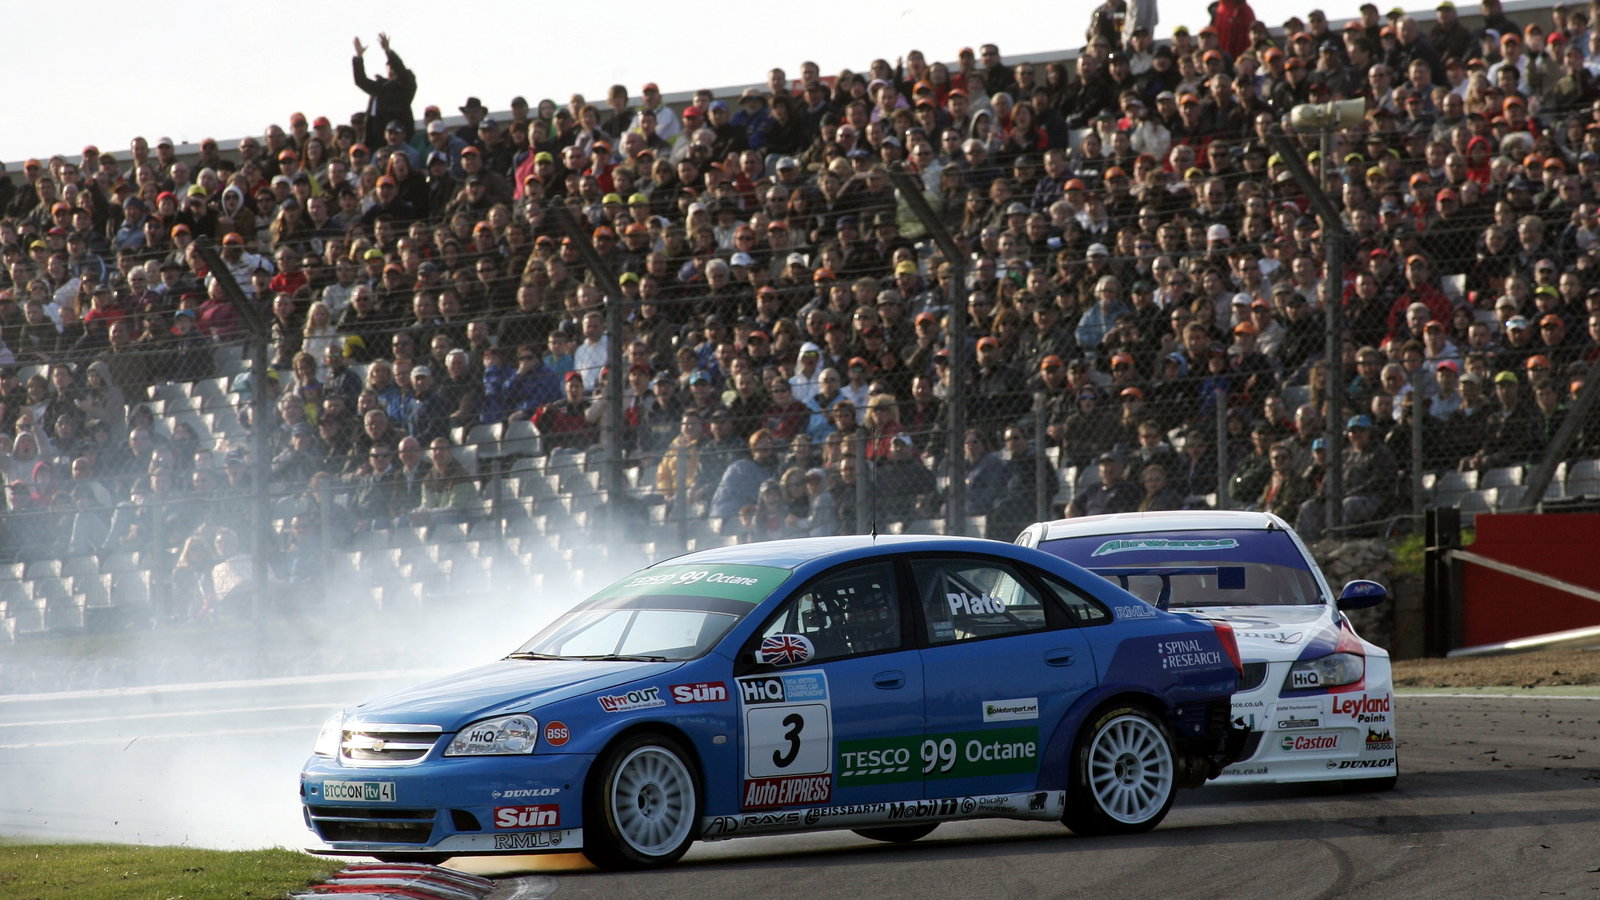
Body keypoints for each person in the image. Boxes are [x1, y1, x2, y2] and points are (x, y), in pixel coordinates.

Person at [352, 34, 418, 151]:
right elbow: (360, 81)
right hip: (374, 142)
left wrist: (388, 51)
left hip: (396, 141)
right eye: (389, 67)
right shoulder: (380, 86)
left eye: (393, 67)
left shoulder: (405, 87)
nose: (391, 70)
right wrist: (358, 57)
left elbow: (402, 72)